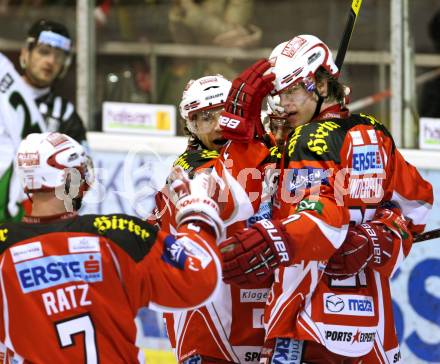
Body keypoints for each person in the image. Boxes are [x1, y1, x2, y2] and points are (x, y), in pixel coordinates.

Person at [217, 35, 433, 362]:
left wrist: (275, 237)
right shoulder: (375, 132)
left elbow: (316, 216)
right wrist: (384, 235)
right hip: (373, 334)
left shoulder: (304, 140)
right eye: (279, 95)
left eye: (291, 92)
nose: (284, 104)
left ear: (319, 84)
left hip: (304, 322)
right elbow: (417, 208)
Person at [0, 132, 225, 362]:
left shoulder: (4, 247)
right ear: (71, 178)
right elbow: (199, 276)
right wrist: (195, 209)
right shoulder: (119, 234)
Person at [152, 75, 272, 363]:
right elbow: (231, 195)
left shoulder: (252, 155)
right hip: (206, 323)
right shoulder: (191, 168)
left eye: (225, 114)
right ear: (190, 126)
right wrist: (253, 139)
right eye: (205, 118)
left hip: (248, 318)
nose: (219, 125)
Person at [20, 19, 87, 146]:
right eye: (44, 51)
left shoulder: (66, 114)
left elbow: (82, 162)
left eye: (59, 55)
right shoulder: (4, 95)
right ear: (25, 53)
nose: (51, 61)